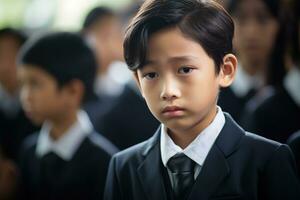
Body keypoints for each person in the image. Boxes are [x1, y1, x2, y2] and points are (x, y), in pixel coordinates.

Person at [103, 0, 300, 200]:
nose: (168, 91)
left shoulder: (267, 160)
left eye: (185, 70)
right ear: (138, 82)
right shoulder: (123, 167)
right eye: (151, 74)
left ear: (225, 70)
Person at [17, 32, 118, 200]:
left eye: (35, 84)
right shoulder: (29, 151)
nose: (25, 96)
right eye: (23, 84)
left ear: (73, 91)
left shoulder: (105, 162)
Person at [218, 0, 286, 123]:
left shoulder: (290, 95)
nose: (252, 32)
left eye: (262, 19)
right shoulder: (213, 95)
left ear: (278, 26)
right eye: (241, 18)